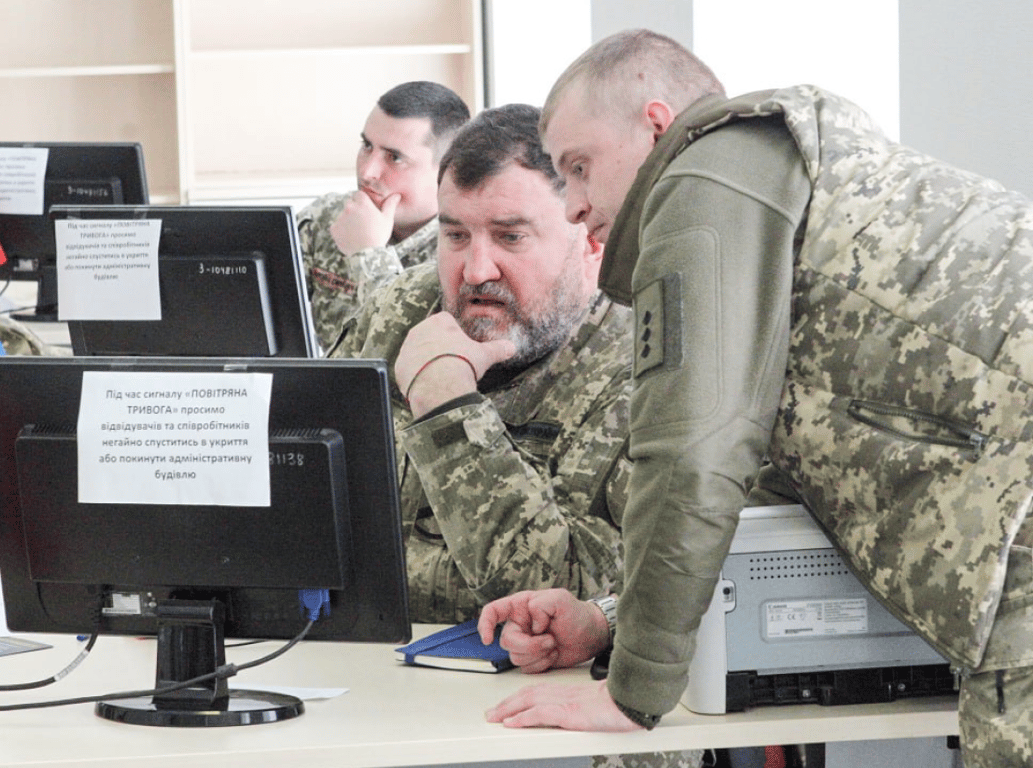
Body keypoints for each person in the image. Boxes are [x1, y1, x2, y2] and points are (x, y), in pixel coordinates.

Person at [478, 29, 1033, 767]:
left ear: (655, 123)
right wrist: (609, 622)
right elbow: (764, 497)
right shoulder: (792, 181)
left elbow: (690, 453)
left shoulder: (705, 175)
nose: (574, 205)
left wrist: (629, 691)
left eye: (579, 167)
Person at [331, 103, 705, 768]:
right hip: (379, 700)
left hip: (559, 726)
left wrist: (448, 408)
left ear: (587, 238)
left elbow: (562, 601)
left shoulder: (649, 361)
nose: (475, 272)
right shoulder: (400, 316)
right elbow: (316, 542)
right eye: (454, 236)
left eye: (509, 238)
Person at [299, 81, 470, 352]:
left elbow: (407, 356)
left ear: (447, 169)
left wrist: (368, 255)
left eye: (394, 157)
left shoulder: (467, 250)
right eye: (367, 146)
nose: (368, 171)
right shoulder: (328, 218)